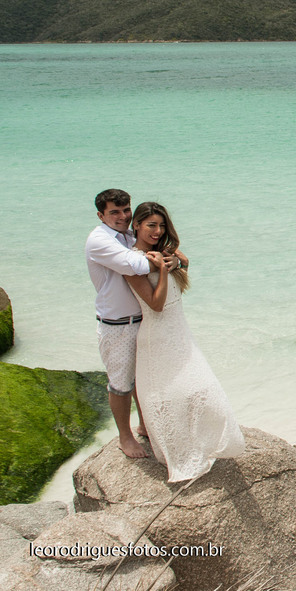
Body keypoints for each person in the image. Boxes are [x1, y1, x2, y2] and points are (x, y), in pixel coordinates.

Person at [124, 201, 244, 482]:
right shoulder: (133, 263)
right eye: (151, 225)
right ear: (137, 225)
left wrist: (174, 261)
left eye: (161, 225)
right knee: (170, 395)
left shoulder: (164, 249)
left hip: (180, 332)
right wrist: (163, 272)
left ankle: (204, 442)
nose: (157, 230)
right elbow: (156, 304)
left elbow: (186, 260)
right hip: (156, 336)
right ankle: (175, 451)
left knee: (202, 387)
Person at [86, 189, 184, 458]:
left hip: (144, 321)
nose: (122, 217)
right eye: (114, 212)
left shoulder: (127, 235)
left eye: (126, 210)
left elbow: (168, 251)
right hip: (117, 324)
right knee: (121, 385)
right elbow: (134, 264)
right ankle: (125, 437)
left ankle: (145, 425)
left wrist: (174, 260)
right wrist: (164, 263)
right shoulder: (99, 240)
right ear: (101, 215)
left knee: (142, 380)